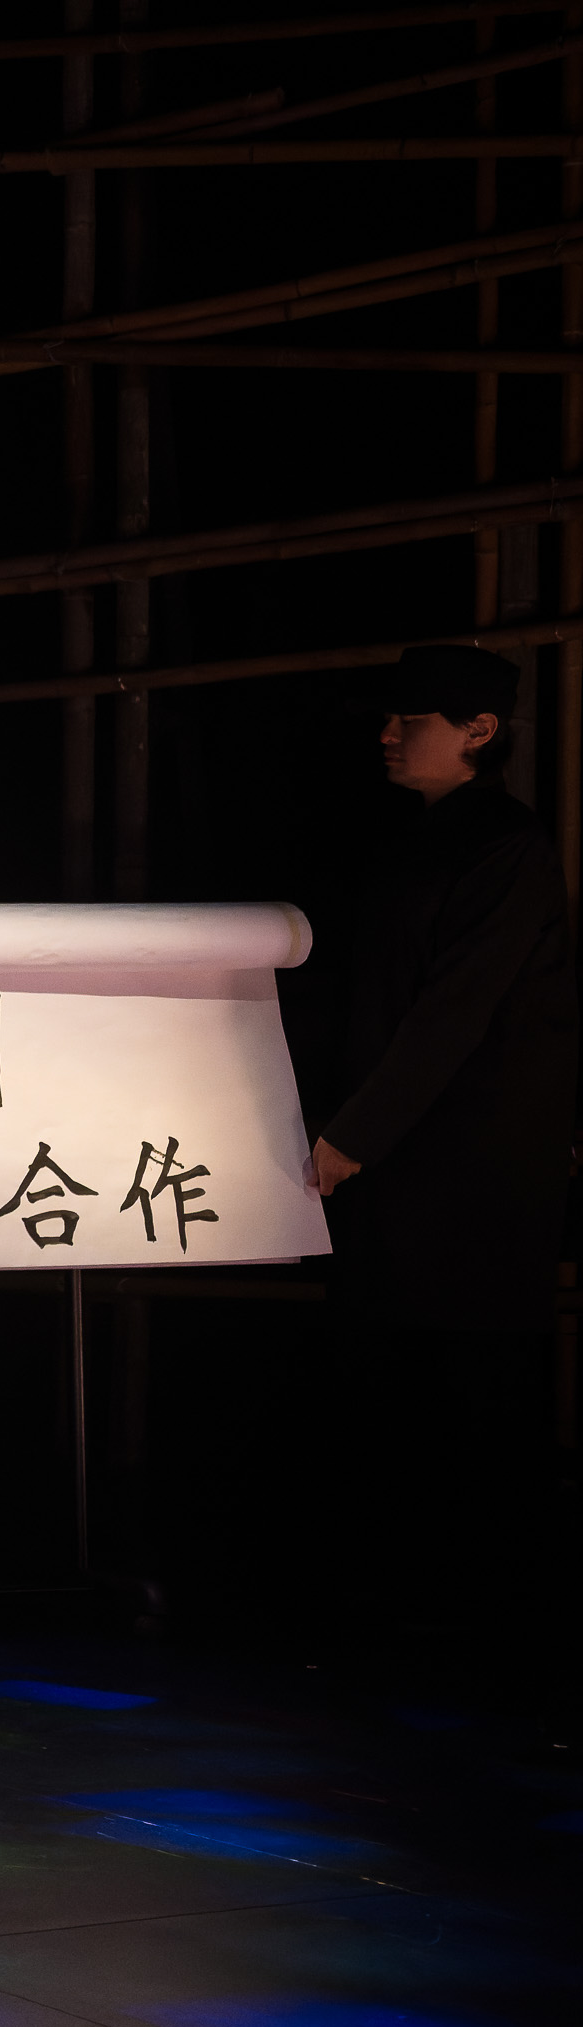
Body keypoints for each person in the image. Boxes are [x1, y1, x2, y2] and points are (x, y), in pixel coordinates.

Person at [303, 643, 574, 1647]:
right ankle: (400, 1609)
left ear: (478, 731)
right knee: (395, 1376)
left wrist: (350, 1133)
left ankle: (482, 1622)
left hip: (473, 1163)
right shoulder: (406, 842)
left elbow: (453, 1011)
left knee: (471, 1381)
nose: (387, 733)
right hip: (399, 1155)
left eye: (409, 718)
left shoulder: (507, 843)